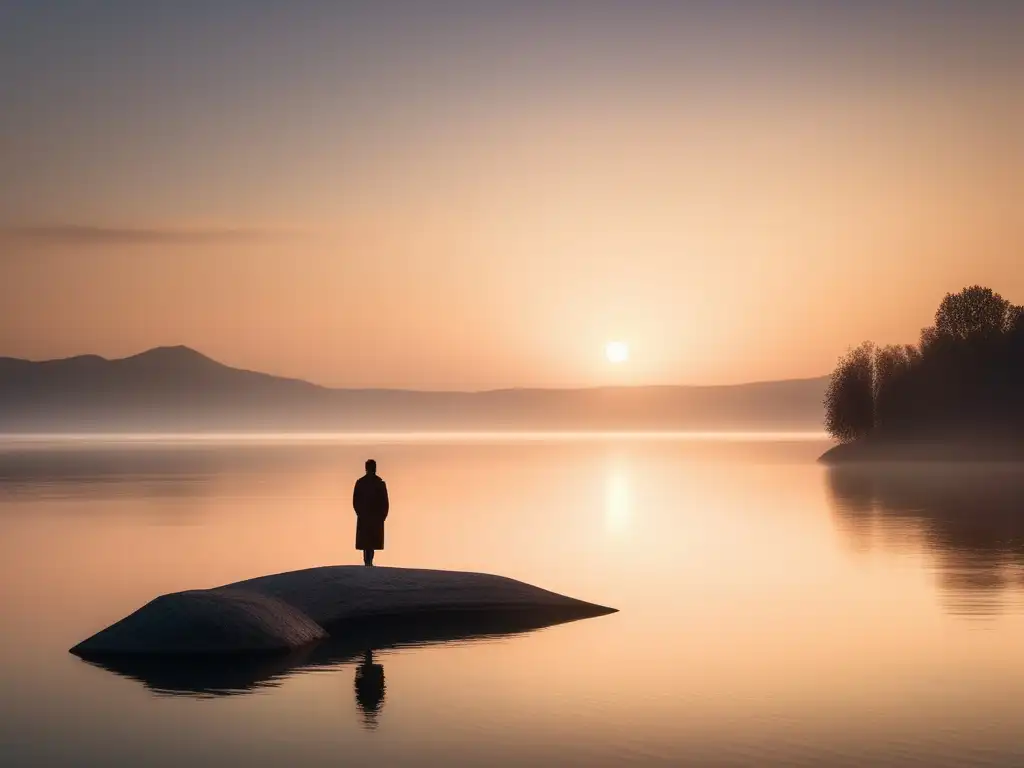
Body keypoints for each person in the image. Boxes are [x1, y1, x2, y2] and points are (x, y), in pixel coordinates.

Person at [352, 459, 389, 566]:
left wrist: (382, 515)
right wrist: (360, 512)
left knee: (370, 542)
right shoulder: (373, 483)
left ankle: (368, 561)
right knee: (368, 542)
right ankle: (368, 562)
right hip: (368, 516)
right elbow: (356, 501)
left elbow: (384, 501)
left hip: (372, 517)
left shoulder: (377, 483)